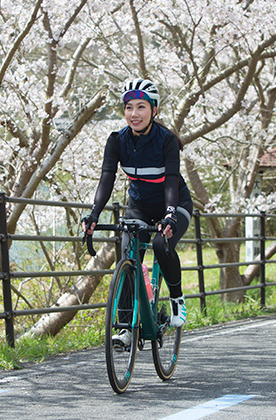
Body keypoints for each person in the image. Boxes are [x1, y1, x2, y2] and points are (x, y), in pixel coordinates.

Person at [81, 78, 193, 342]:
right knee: (128, 257)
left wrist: (169, 215)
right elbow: (106, 179)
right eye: (129, 107)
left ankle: (177, 298)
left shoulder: (167, 141)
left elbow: (171, 183)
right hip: (139, 207)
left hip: (175, 203)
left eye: (141, 107)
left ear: (154, 110)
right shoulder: (116, 141)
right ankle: (125, 327)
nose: (134, 114)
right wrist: (94, 214)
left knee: (160, 243)